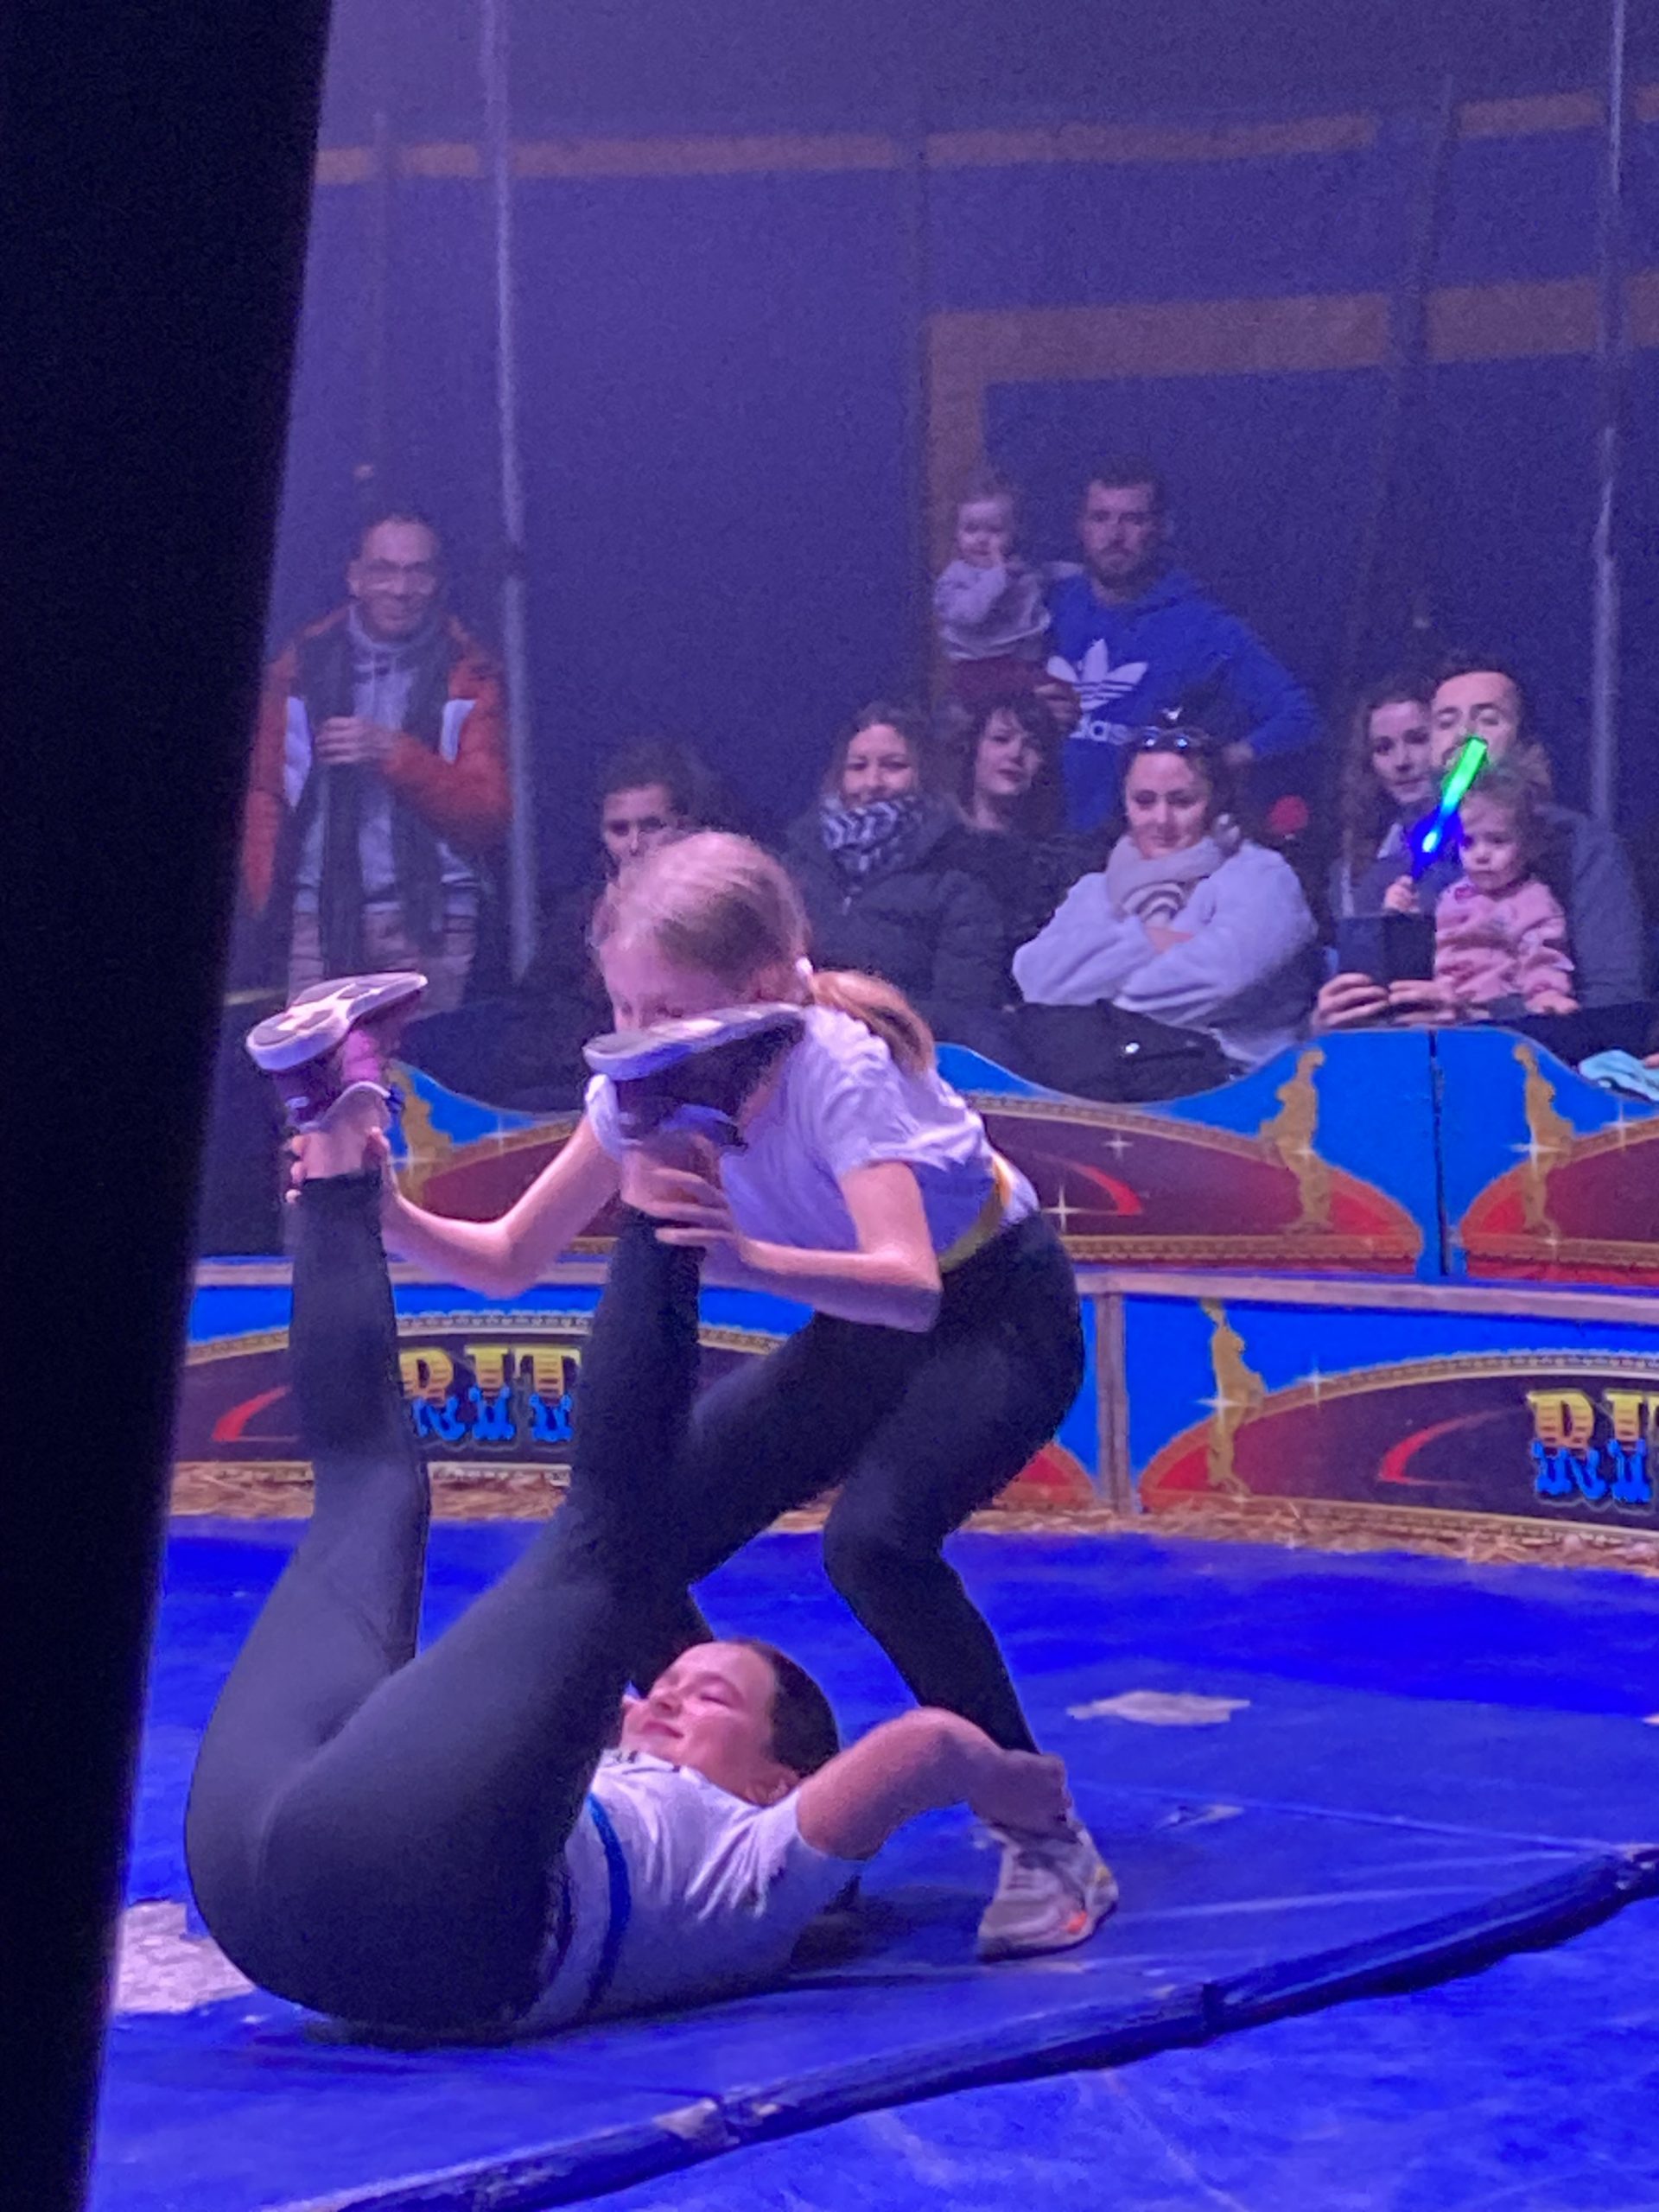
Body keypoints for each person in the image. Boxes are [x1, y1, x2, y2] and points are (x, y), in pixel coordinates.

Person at [187, 991, 1093, 2040]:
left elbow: (923, 1747)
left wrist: (1019, 1790)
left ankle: (676, 1139)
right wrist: (372, 1203)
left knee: (620, 1544)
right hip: (283, 1875)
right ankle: (334, 1131)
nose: (660, 1694)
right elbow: (507, 1260)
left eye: (706, 1697)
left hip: (431, 1918)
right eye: (678, 1686)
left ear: (779, 1782)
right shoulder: (617, 1768)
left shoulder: (763, 1860)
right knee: (369, 1492)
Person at [372, 836, 1113, 1954]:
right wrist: (372, 1203)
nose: (639, 1035)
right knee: (625, 1548)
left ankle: (1046, 1834)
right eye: (623, 1007)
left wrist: (746, 1255)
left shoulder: (839, 1066)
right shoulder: (644, 1081)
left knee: (875, 1545)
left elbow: (911, 1285)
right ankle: (748, 1816)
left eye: (665, 1009)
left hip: (994, 1309)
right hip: (860, 1327)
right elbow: (509, 1257)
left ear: (763, 987)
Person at [241, 509, 510, 1012]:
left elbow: (486, 817)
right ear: (355, 578)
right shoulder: (299, 667)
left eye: (417, 572)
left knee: (422, 1064)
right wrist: (268, 895)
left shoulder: (471, 672)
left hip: (433, 920)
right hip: (317, 917)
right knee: (317, 1062)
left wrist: (395, 754)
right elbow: (263, 794)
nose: (401, 589)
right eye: (384, 571)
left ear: (437, 581)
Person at [1314, 657, 1645, 1032]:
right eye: (1445, 722)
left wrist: (1480, 1016)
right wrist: (1329, 1021)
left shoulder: (1579, 845)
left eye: (1488, 719)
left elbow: (1617, 1000)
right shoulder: (1398, 861)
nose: (1464, 736)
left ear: (1525, 744)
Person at [1012, 727, 1318, 1083]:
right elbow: (1036, 979)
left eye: (1182, 801)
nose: (1161, 820)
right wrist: (1154, 941)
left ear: (1217, 801)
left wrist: (1095, 996)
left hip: (1239, 1085)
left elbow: (1221, 981)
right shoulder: (1097, 888)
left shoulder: (1261, 875)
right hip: (1113, 1078)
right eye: (1144, 801)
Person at [1044, 458, 1317, 833]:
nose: (1115, 535)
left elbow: (1299, 717)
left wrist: (1215, 764)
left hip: (1142, 844)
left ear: (1162, 527)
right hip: (1033, 832)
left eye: (1133, 520)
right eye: (1101, 517)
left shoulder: (1204, 628)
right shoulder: (1045, 604)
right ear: (1081, 525)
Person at [784, 704, 1007, 1026]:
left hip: (901, 1042)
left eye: (894, 766)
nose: (872, 782)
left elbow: (964, 1010)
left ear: (925, 774)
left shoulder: (960, 871)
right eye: (858, 767)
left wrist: (860, 1012)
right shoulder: (797, 860)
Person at [944, 694, 1091, 981]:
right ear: (974, 748)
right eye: (1001, 739)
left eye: (1032, 745)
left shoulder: (1059, 864)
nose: (1015, 754)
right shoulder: (933, 844)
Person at [1407, 766, 1576, 1017]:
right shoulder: (1451, 895)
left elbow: (1542, 954)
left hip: (1496, 1011)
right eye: (1468, 842)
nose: (1481, 855)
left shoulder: (1532, 899)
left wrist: (1545, 993)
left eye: (1498, 841)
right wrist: (1405, 914)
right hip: (1443, 1006)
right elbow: (1425, 950)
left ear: (1530, 845)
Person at [931, 469, 1051, 709]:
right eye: (971, 529)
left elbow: (1046, 581)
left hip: (1024, 664)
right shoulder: (954, 579)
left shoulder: (1020, 571)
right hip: (977, 668)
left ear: (1014, 533)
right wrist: (997, 575)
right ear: (956, 533)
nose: (982, 539)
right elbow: (970, 614)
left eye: (994, 530)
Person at [1327, 678, 1438, 922]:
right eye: (1383, 748)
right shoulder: (1351, 866)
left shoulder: (1483, 841)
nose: (1401, 761)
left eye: (1418, 739)